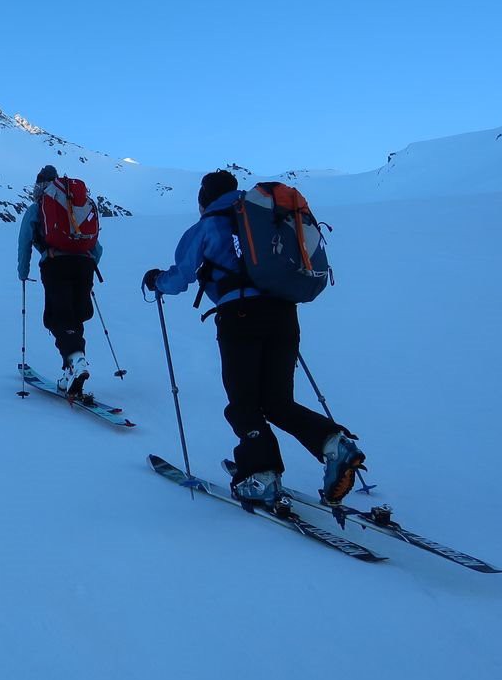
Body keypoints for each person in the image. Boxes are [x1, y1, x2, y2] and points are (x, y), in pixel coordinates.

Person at [142, 170, 366, 507]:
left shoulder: (209, 223)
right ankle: (335, 445)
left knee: (244, 404)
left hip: (240, 318)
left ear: (204, 200)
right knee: (278, 402)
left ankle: (261, 475)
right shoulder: (266, 217)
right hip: (284, 315)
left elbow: (181, 276)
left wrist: (157, 281)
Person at [17, 165, 103, 395]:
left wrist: (23, 272)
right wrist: (86, 265)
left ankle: (76, 360)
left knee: (57, 318)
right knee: (74, 317)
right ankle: (71, 369)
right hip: (84, 265)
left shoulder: (38, 208)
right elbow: (98, 249)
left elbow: (25, 241)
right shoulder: (76, 207)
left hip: (55, 264)